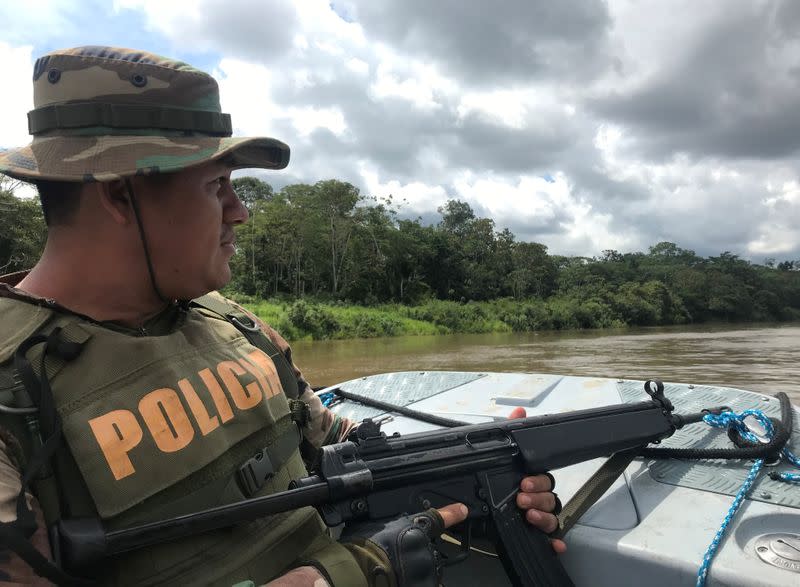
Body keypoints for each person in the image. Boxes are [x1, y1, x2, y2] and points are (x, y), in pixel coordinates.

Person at [0, 46, 564, 586]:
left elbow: (330, 439)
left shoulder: (232, 325)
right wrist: (345, 572)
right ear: (120, 195)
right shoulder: (13, 392)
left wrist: (470, 469)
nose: (240, 212)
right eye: (216, 186)